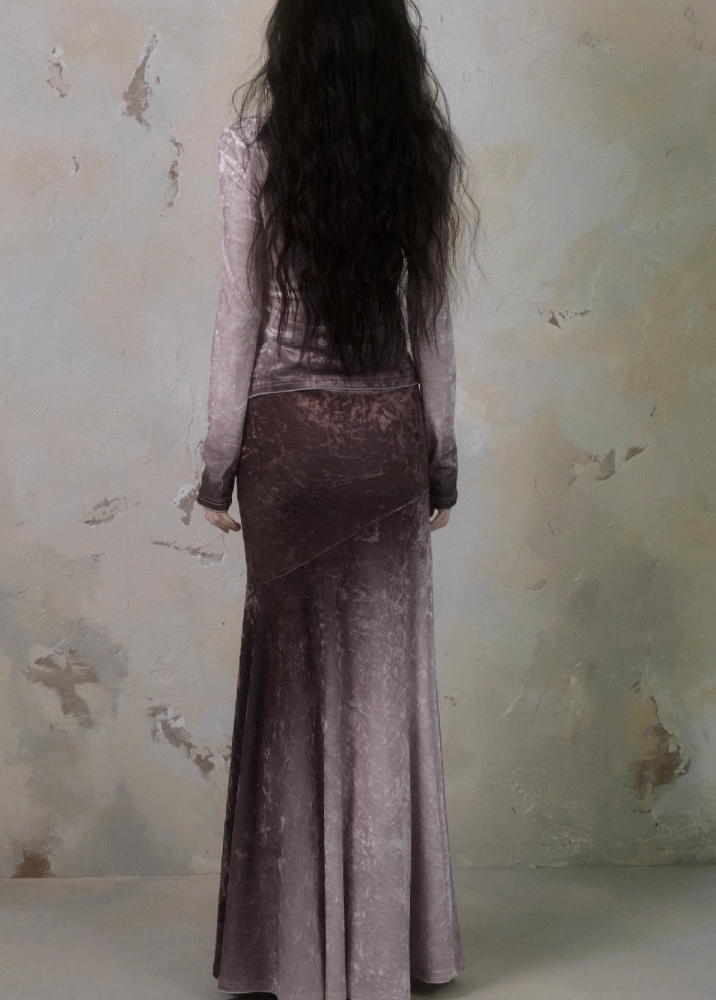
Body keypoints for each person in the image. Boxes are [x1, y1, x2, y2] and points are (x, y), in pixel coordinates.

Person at [195, 1, 480, 998]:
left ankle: (290, 956)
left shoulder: (251, 151)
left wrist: (216, 465)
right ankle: (392, 957)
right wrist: (441, 463)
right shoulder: (421, 153)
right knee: (385, 698)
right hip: (387, 442)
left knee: (289, 700)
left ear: (293, 41)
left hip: (287, 452)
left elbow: (239, 318)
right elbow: (432, 328)